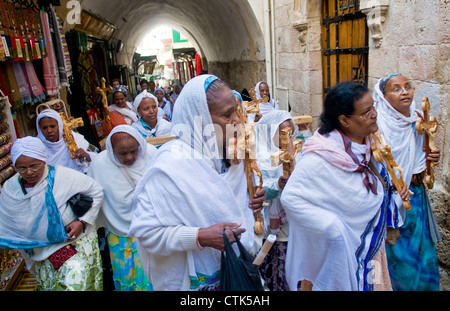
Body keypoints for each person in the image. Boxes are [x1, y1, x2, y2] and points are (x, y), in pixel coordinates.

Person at [128, 75, 266, 291]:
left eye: (236, 110)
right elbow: (147, 234)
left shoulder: (231, 155)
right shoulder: (170, 167)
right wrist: (200, 237)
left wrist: (254, 201)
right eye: (227, 114)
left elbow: (233, 204)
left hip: (238, 274)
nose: (237, 120)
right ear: (198, 119)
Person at [281, 82, 399, 291]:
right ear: (344, 120)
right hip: (337, 252)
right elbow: (290, 198)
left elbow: (380, 179)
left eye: (373, 108)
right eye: (366, 112)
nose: (374, 115)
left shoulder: (373, 142)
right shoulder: (321, 155)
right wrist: (331, 227)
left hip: (369, 245)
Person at [0, 137, 104, 291]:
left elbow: (96, 191)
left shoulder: (63, 176)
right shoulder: (11, 189)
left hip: (75, 246)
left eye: (34, 166)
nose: (28, 172)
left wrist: (82, 222)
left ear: (44, 160)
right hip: (41, 255)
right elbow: (15, 228)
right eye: (21, 168)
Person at [373, 73, 442, 291]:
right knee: (398, 256)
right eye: (396, 89)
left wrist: (431, 156)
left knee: (423, 251)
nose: (404, 92)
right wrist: (391, 189)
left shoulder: (419, 118)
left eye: (408, 87)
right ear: (384, 96)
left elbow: (423, 152)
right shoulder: (377, 124)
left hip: (417, 196)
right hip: (390, 201)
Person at [87, 125, 157, 291]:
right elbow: (93, 197)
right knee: (128, 279)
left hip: (154, 230)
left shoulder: (153, 155)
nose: (129, 157)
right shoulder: (99, 165)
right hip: (120, 234)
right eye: (122, 153)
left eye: (133, 151)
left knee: (156, 277)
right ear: (111, 150)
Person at [255, 110, 300, 291]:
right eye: (282, 134)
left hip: (295, 227)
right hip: (269, 227)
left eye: (290, 132)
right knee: (273, 273)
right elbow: (257, 191)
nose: (287, 139)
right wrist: (277, 184)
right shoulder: (259, 159)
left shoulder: (298, 153)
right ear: (269, 133)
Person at [36, 109, 97, 174]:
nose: (49, 131)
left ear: (59, 125)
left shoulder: (75, 139)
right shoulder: (36, 146)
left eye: (52, 126)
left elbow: (97, 159)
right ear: (39, 129)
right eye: (44, 128)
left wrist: (86, 155)